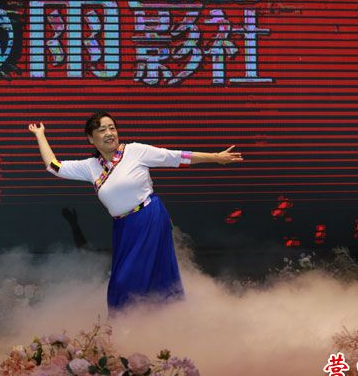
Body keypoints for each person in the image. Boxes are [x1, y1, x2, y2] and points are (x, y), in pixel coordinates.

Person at [28, 111, 243, 311]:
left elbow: (176, 157)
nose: (109, 133)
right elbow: (54, 166)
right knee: (123, 282)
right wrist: (40, 135)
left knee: (136, 279)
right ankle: (136, 326)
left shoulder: (135, 151)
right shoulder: (90, 166)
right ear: (91, 138)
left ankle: (155, 321)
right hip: (123, 227)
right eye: (102, 130)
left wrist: (216, 157)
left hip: (149, 217)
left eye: (112, 128)